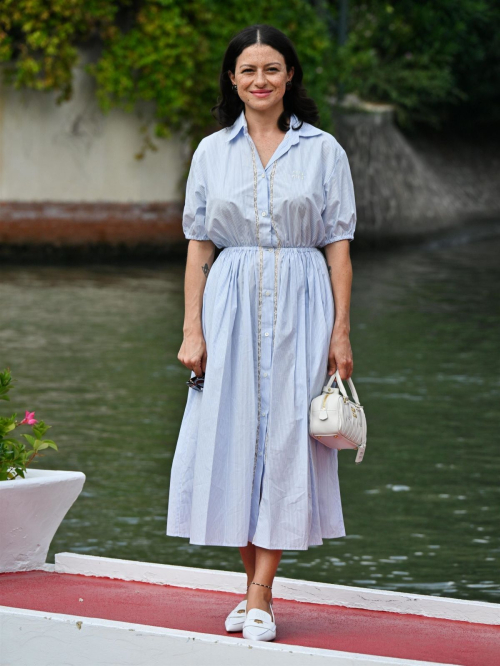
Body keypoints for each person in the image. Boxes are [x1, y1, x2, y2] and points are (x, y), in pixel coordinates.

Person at [166, 23, 357, 642]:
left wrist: (342, 333)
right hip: (229, 302)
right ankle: (256, 594)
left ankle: (259, 596)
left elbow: (338, 249)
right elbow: (199, 247)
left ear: (290, 75)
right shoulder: (210, 151)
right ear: (232, 78)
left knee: (284, 442)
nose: (260, 80)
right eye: (248, 70)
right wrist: (191, 329)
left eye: (271, 69)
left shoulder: (324, 150)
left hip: (303, 303)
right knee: (232, 439)